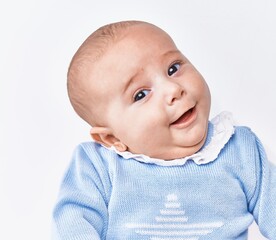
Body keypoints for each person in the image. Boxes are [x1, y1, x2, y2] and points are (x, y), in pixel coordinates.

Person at [52, 20, 276, 239]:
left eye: (173, 68)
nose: (173, 89)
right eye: (141, 94)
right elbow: (72, 224)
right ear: (111, 138)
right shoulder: (98, 166)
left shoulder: (240, 150)